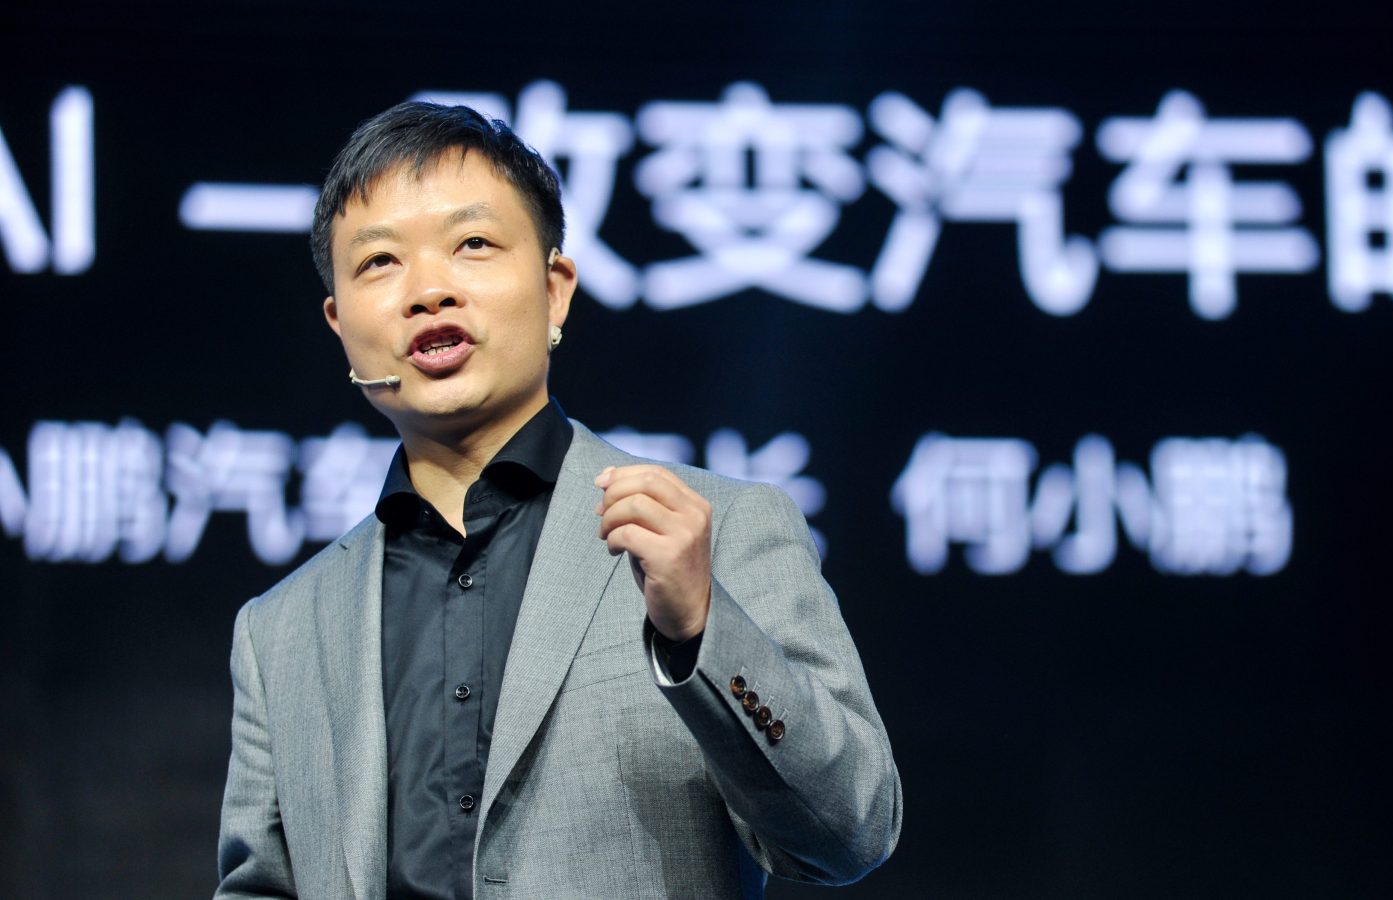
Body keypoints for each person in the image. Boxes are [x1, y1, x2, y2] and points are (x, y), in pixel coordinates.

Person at [215, 102, 901, 900]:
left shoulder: (715, 531)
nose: (428, 291)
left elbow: (851, 830)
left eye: (472, 244)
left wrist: (703, 631)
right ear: (339, 323)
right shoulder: (282, 630)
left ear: (555, 290)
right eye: (378, 263)